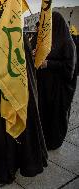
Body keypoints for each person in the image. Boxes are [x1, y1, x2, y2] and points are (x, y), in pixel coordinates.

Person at [0, 10, 48, 187]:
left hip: (11, 101)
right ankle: (0, 166)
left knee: (8, 138)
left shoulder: (16, 42)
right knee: (0, 138)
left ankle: (6, 173)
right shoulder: (3, 41)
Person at [37, 12, 77, 150]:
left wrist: (49, 64)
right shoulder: (48, 41)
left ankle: (54, 142)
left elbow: (69, 68)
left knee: (55, 117)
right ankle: (44, 140)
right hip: (45, 88)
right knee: (45, 115)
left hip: (58, 89)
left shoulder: (67, 42)